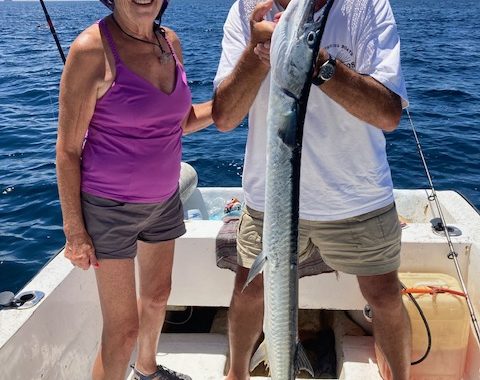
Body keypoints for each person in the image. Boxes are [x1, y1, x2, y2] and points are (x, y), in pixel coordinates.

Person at [212, 0, 411, 379]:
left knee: (385, 296)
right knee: (249, 290)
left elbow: (388, 114)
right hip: (270, 197)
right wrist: (257, 55)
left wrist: (320, 66)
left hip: (357, 194)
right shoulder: (246, 9)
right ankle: (236, 374)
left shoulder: (366, 6)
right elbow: (224, 117)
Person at [55, 0, 212, 378]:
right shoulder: (91, 49)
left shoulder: (170, 41)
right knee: (122, 331)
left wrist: (247, 92)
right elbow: (67, 151)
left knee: (158, 297)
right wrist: (75, 230)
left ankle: (147, 370)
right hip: (108, 208)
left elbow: (182, 121)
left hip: (164, 199)